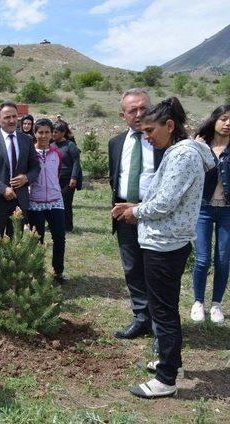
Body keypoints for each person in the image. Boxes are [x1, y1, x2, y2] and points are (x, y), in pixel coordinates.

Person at [113, 97, 215, 399]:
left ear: (170, 126)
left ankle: (166, 379)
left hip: (164, 244)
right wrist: (138, 205)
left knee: (163, 311)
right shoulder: (179, 151)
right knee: (165, 307)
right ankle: (173, 363)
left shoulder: (182, 155)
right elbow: (166, 197)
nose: (146, 137)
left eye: (150, 130)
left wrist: (136, 212)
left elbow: (166, 202)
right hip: (167, 241)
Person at [108, 88, 164, 341]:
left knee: (156, 270)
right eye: (133, 110)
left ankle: (160, 324)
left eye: (144, 108)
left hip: (155, 214)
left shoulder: (164, 141)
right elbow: (115, 177)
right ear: (123, 115)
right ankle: (141, 318)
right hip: (124, 215)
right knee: (132, 268)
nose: (140, 114)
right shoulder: (116, 143)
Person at [190, 104, 230, 325]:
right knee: (203, 259)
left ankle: (216, 304)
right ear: (214, 120)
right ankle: (198, 302)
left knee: (223, 259)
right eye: (224, 118)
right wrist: (195, 148)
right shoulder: (200, 144)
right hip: (203, 208)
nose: (227, 123)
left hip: (228, 211)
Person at [0, 101, 40, 242]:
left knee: (16, 246)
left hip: (19, 202)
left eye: (14, 116)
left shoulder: (27, 140)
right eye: (7, 117)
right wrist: (2, 188)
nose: (12, 120)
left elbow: (36, 167)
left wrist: (26, 178)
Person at [29, 119, 68, 284]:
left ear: (52, 134)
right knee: (37, 240)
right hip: (35, 202)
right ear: (35, 133)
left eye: (47, 132)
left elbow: (57, 174)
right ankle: (36, 274)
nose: (43, 136)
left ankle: (57, 272)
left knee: (59, 237)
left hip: (55, 201)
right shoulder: (29, 154)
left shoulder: (57, 153)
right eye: (40, 132)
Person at [52, 120, 82, 232]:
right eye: (52, 132)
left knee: (66, 202)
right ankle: (55, 225)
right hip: (55, 179)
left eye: (56, 132)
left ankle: (67, 227)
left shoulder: (70, 145)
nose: (53, 134)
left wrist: (74, 178)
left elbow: (76, 162)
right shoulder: (51, 145)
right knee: (54, 202)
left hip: (68, 179)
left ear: (63, 132)